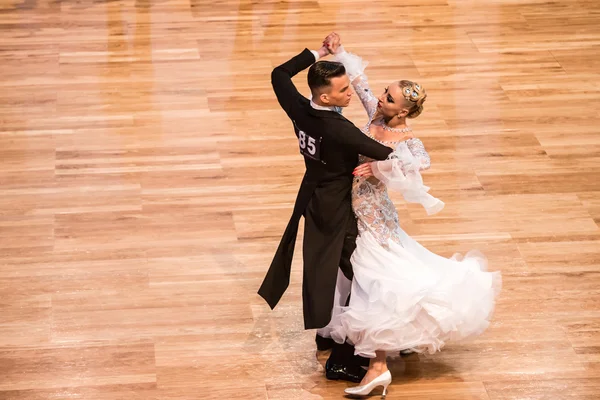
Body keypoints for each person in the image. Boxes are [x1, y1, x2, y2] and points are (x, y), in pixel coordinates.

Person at [321, 33, 502, 397]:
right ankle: (365, 352)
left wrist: (379, 169)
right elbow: (361, 86)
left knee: (377, 282)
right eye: (385, 93)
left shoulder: (406, 139)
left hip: (373, 216)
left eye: (389, 97)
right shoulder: (377, 113)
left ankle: (377, 366)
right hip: (350, 209)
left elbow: (420, 164)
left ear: (402, 111)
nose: (380, 98)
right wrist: (337, 52)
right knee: (362, 278)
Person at [257, 34, 393, 383]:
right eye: (344, 89)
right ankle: (343, 351)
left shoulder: (301, 108)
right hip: (337, 206)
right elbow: (387, 154)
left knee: (325, 269)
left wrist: (319, 53)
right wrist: (392, 156)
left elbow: (278, 74)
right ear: (325, 96)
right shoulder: (339, 128)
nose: (350, 93)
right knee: (357, 270)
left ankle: (329, 338)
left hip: (313, 194)